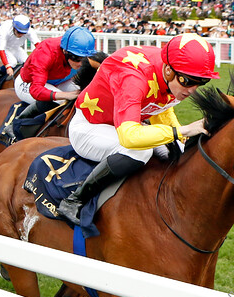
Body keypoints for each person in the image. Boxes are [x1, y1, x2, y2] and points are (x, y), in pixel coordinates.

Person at [57, 33, 219, 225]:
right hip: (90, 127)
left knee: (181, 153)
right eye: (188, 81)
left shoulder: (172, 71)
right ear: (168, 70)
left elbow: (162, 108)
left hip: (123, 123)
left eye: (201, 82)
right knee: (141, 150)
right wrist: (181, 131)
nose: (193, 89)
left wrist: (179, 138)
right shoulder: (134, 78)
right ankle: (74, 200)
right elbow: (129, 138)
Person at [0, 25, 96, 144]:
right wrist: (66, 95)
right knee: (60, 100)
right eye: (76, 58)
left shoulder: (80, 51)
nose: (81, 63)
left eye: (85, 59)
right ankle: (15, 125)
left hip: (59, 80)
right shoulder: (45, 52)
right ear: (65, 51)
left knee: (85, 96)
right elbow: (36, 90)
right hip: (29, 83)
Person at [0, 14, 41, 79]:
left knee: (27, 62)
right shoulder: (5, 29)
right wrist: (8, 67)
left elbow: (38, 45)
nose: (21, 35)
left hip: (16, 48)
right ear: (14, 27)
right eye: (19, 32)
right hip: (2, 48)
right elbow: (1, 49)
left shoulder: (29, 31)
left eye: (23, 33)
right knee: (12, 62)